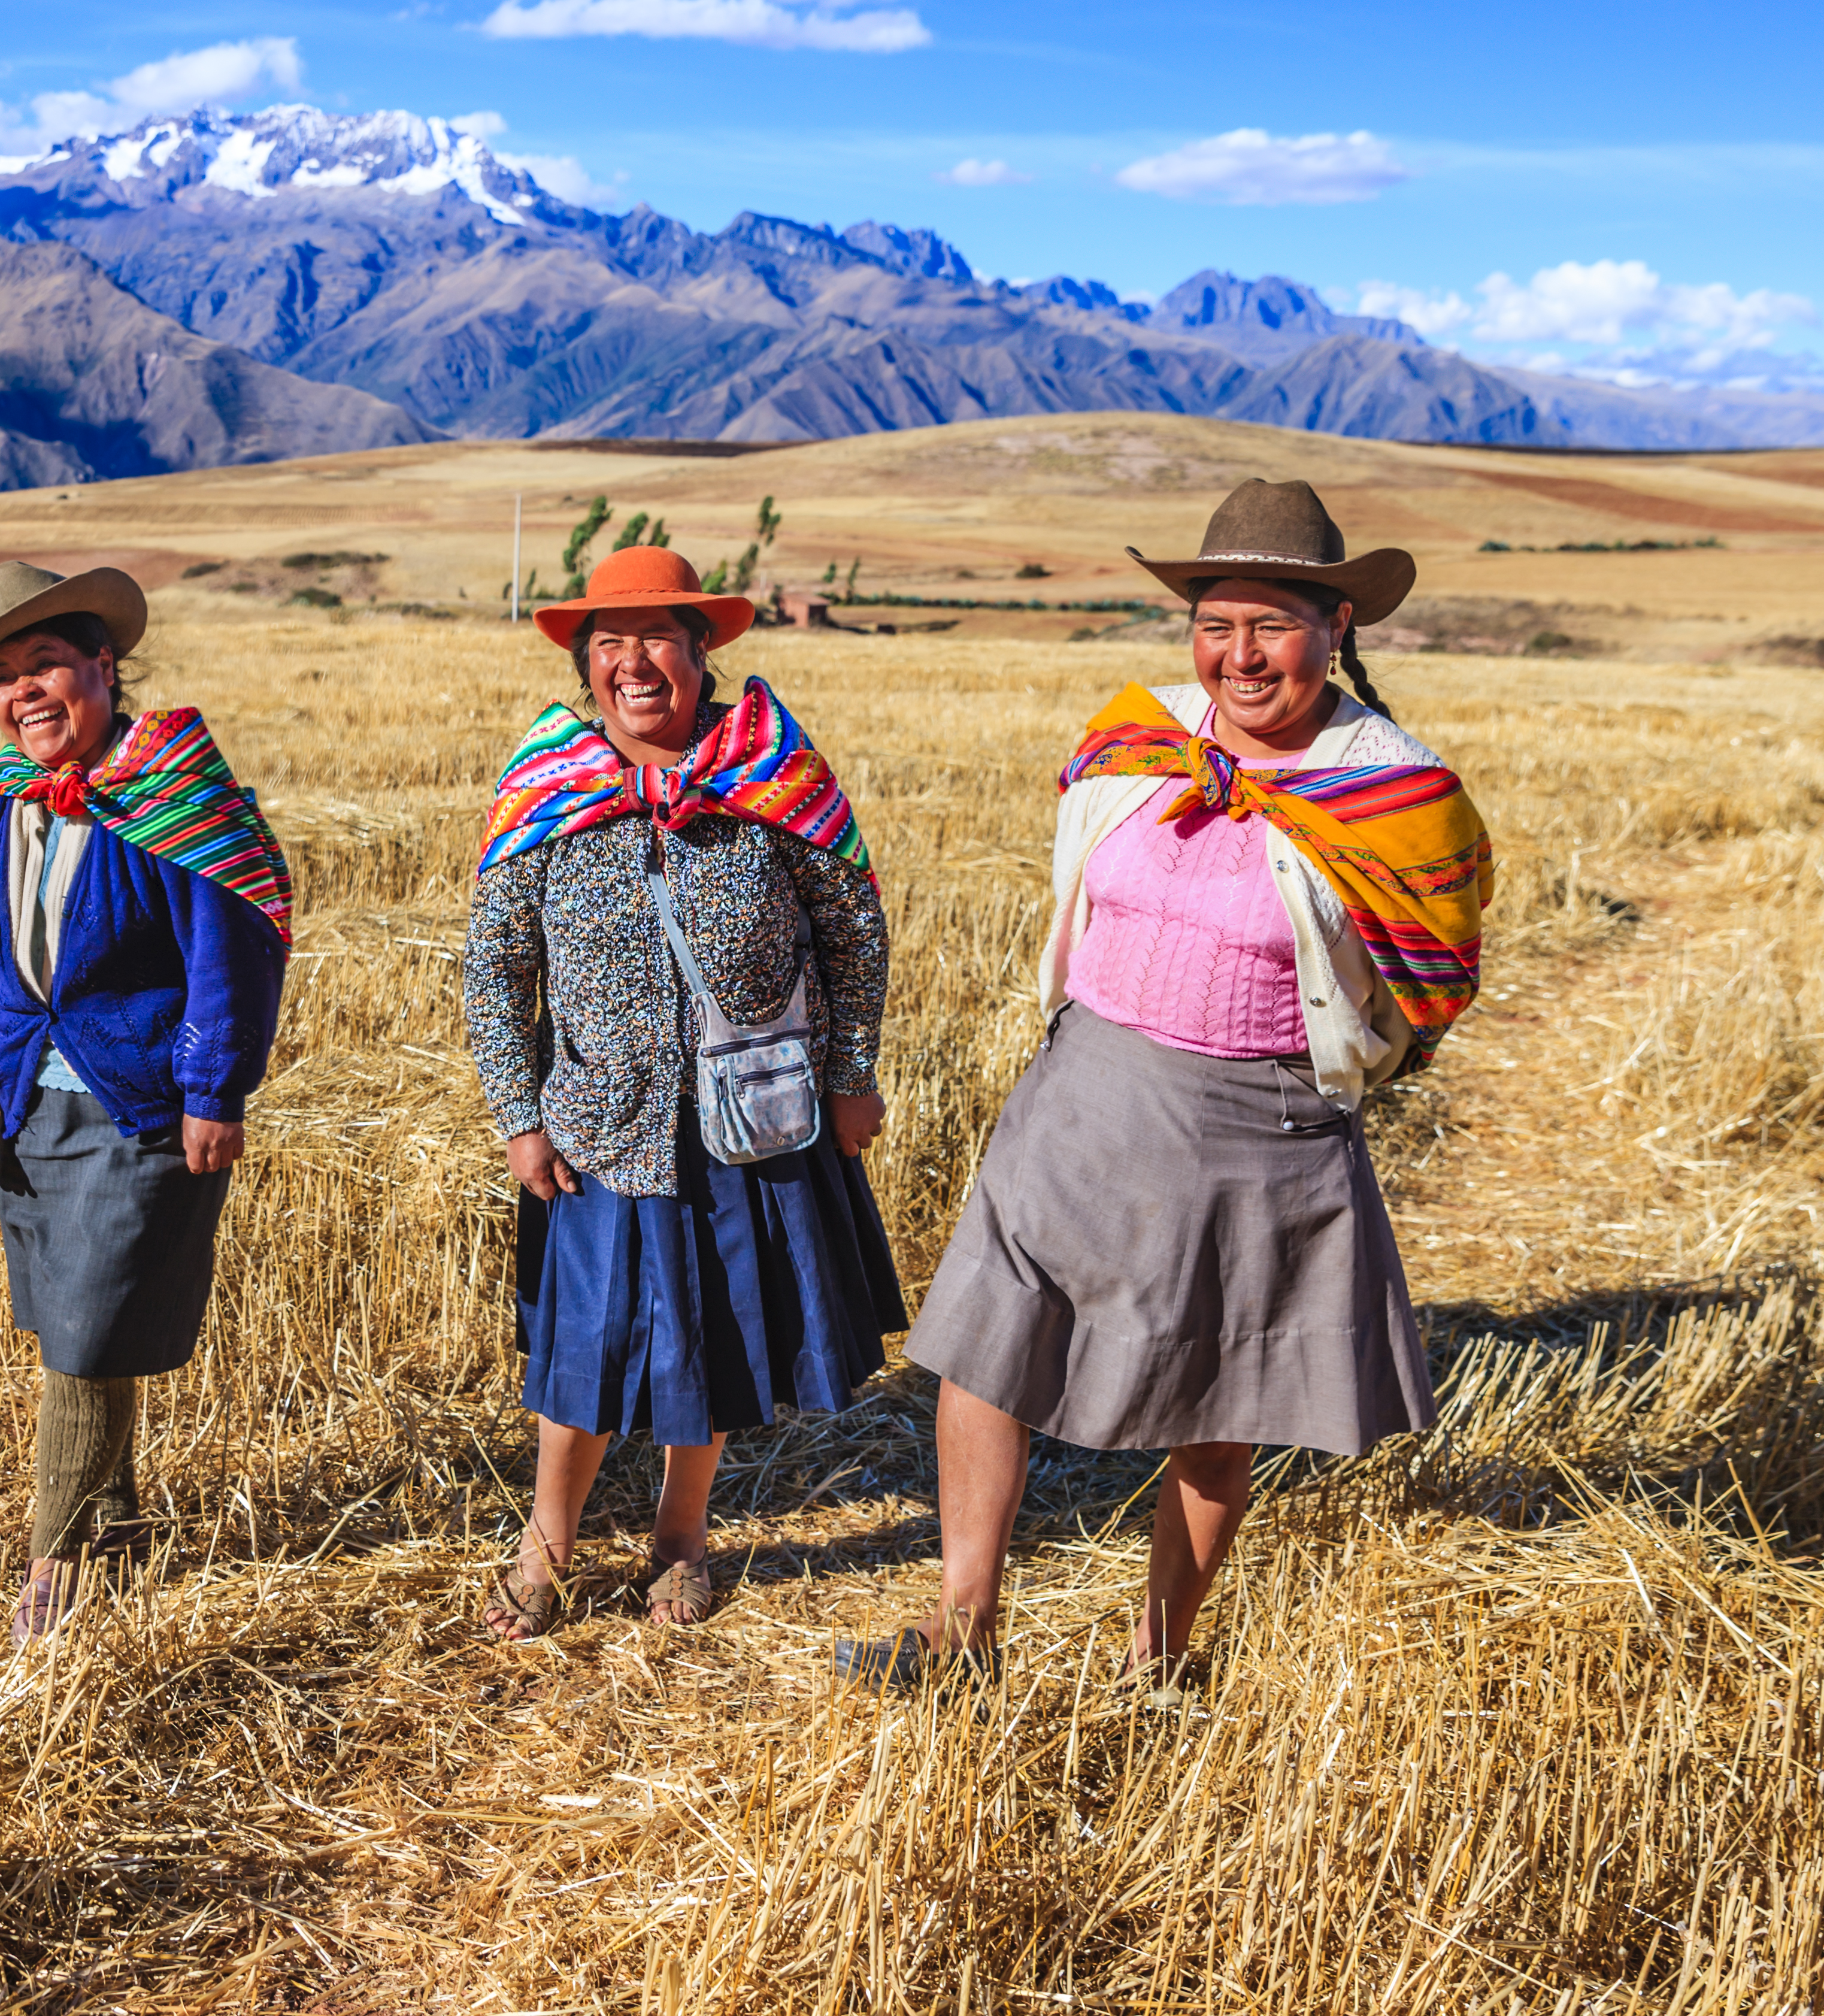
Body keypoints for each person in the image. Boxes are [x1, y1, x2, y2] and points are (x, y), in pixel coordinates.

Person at [845, 480, 1492, 1691]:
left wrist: (1336, 1068)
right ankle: (963, 1622)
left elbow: (1434, 973)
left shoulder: (1394, 794)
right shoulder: (1136, 738)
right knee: (988, 1353)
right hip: (1083, 1094)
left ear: (1334, 629)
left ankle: (1161, 1652)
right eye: (1216, 623)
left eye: (1271, 625)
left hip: (1259, 1130)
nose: (1240, 655)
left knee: (1215, 1395)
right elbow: (1074, 877)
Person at [463, 545, 903, 1637]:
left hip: (746, 1119)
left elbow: (854, 930)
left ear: (702, 650)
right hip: (600, 1126)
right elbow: (493, 963)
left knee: (700, 1342)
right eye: (607, 643)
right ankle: (545, 1548)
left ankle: (680, 1543)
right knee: (584, 1351)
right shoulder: (548, 789)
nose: (632, 662)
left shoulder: (772, 775)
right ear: (585, 665)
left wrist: (851, 1075)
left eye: (656, 635)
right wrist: (519, 1112)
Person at [0, 559, 293, 1645]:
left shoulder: (177, 793)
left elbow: (232, 949)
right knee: (78, 1322)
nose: (26, 691)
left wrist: (214, 1086)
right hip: (31, 1095)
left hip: (142, 1103)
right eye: (6, 674)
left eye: (46, 664)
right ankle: (116, 1525)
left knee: (84, 1335)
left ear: (104, 666)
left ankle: (57, 1562)